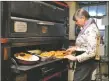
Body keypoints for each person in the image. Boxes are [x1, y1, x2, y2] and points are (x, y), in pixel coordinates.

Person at [64, 8, 100, 81]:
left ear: (83, 18)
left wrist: (75, 58)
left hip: (87, 62)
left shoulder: (91, 29)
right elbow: (85, 45)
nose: (76, 23)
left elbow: (92, 52)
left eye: (76, 21)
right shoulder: (86, 28)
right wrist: (75, 48)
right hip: (86, 61)